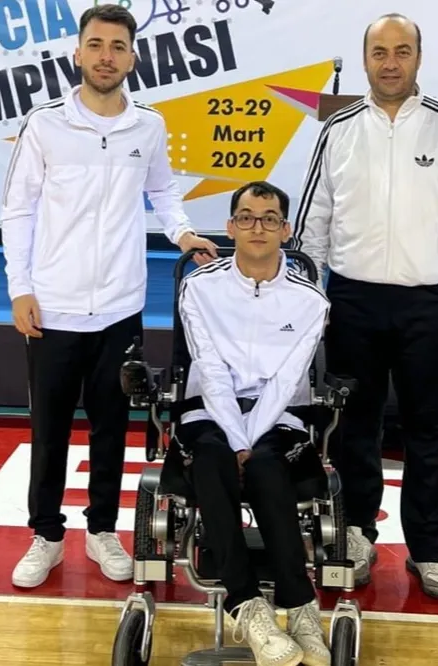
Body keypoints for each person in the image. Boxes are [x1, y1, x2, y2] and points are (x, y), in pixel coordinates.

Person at [0, 3, 217, 589]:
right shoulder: (45, 124)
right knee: (48, 430)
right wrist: (20, 288)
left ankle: (101, 530)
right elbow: (17, 210)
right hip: (52, 306)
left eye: (118, 47)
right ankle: (46, 536)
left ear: (132, 58)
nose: (105, 56)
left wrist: (183, 233)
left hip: (120, 307)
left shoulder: (148, 126)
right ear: (77, 53)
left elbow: (163, 191)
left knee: (111, 426)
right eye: (96, 45)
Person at [292, 13, 438, 597]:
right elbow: (313, 222)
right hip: (353, 301)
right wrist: (314, 301)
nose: (391, 62)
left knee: (431, 428)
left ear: (419, 58)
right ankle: (355, 532)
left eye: (402, 51)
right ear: (365, 59)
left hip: (431, 302)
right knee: (355, 425)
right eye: (380, 52)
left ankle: (430, 548)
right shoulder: (339, 129)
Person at [177, 181, 330, 666]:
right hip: (210, 408)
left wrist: (249, 441)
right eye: (246, 217)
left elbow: (287, 380)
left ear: (285, 230)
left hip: (280, 413)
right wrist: (235, 438)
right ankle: (248, 606)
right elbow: (211, 369)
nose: (256, 227)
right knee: (212, 456)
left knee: (266, 466)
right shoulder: (199, 288)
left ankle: (299, 605)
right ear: (230, 227)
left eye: (269, 218)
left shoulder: (311, 301)